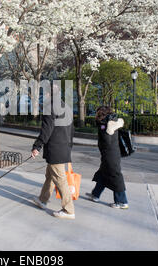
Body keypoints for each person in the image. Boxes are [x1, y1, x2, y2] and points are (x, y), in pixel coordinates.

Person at [31, 87, 76, 219]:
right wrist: (69, 146)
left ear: (48, 94)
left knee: (60, 179)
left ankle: (69, 210)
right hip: (64, 147)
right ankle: (42, 199)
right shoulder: (66, 107)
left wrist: (37, 146)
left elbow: (46, 130)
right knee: (50, 175)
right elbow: (72, 129)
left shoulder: (49, 107)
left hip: (56, 148)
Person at [87, 106, 129, 209]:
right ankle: (95, 195)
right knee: (103, 174)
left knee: (115, 176)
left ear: (101, 114)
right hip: (111, 154)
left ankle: (122, 201)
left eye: (97, 113)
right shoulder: (111, 122)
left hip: (110, 156)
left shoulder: (105, 125)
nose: (95, 115)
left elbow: (107, 141)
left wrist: (103, 130)